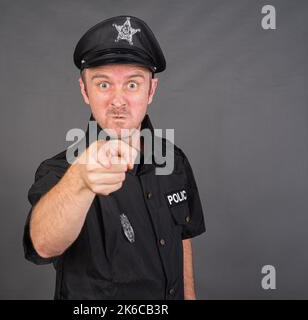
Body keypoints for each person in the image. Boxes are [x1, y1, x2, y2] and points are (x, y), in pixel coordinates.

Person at [23, 15, 206, 300]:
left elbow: (183, 240)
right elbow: (43, 244)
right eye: (103, 84)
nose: (118, 100)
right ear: (85, 91)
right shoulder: (61, 170)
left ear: (151, 90)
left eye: (132, 84)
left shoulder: (174, 160)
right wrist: (80, 181)